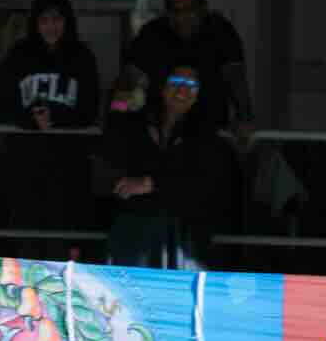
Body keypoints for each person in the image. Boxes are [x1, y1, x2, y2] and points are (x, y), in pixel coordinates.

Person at [100, 59, 242, 270]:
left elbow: (202, 184)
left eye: (191, 85)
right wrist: (121, 100)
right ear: (163, 88)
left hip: (185, 236)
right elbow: (113, 131)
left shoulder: (207, 135)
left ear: (198, 95)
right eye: (176, 80)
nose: (182, 89)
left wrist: (150, 183)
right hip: (135, 230)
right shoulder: (139, 124)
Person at [0, 0, 98, 254]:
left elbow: (91, 108)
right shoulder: (18, 56)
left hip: (68, 161)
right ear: (35, 23)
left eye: (57, 20)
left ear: (67, 22)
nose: (51, 27)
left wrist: (58, 120)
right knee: (27, 235)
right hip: (25, 161)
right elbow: (3, 105)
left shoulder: (82, 57)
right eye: (44, 20)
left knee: (65, 238)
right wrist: (31, 120)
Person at [114, 0, 253, 132]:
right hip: (158, 133)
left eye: (189, 10)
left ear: (203, 8)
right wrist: (119, 118)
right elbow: (127, 86)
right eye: (175, 11)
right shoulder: (151, 34)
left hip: (208, 133)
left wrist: (245, 120)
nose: (182, 18)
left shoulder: (221, 33)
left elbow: (236, 82)